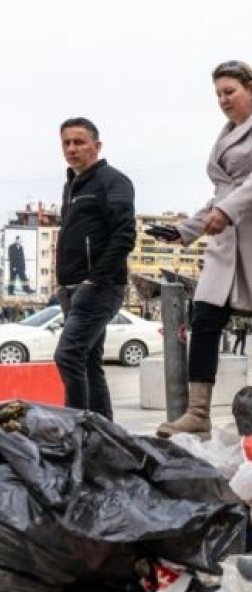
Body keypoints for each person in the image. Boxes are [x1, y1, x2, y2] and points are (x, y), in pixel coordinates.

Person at [157, 60, 252, 439]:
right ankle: (197, 413)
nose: (223, 100)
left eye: (229, 91)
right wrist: (182, 231)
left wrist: (225, 210)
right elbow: (220, 195)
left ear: (251, 89)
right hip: (227, 243)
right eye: (218, 94)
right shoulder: (226, 135)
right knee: (205, 320)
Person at [53, 117, 136, 420]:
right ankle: (104, 433)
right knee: (88, 361)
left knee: (68, 355)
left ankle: (73, 431)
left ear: (96, 146)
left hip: (100, 287)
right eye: (66, 143)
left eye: (79, 142)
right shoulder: (71, 186)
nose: (72, 149)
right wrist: (63, 286)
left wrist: (95, 280)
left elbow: (125, 234)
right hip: (71, 289)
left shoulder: (113, 181)